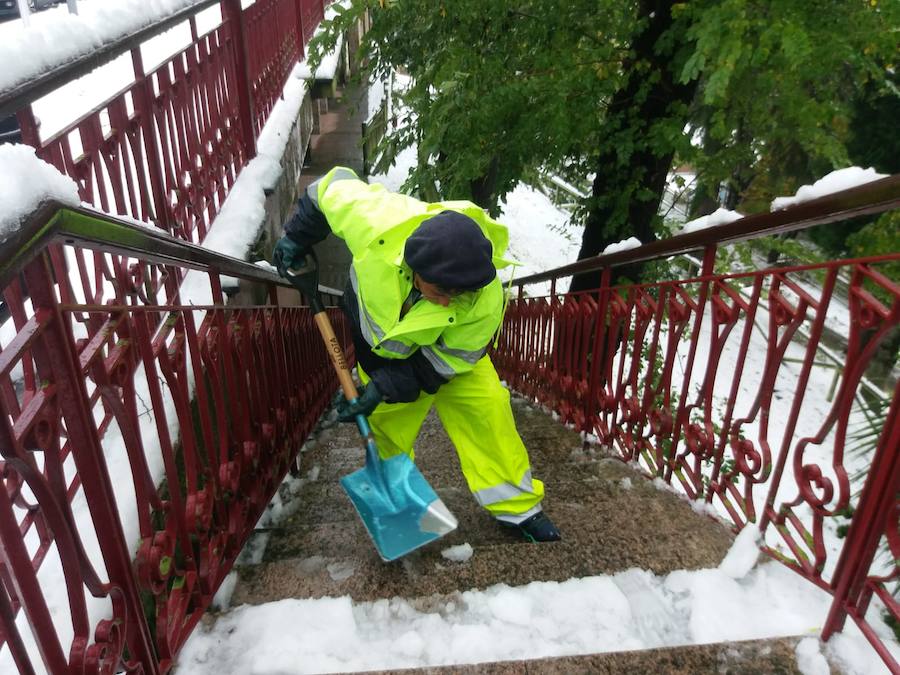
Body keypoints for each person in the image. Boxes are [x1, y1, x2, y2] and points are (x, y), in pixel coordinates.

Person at [273, 166, 561, 542]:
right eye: (439, 290)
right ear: (414, 265)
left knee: (489, 410)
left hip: (451, 360)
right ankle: (399, 513)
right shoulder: (377, 222)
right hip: (383, 358)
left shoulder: (485, 298)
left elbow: (440, 367)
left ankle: (519, 509)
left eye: (457, 294)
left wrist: (382, 388)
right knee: (386, 430)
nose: (446, 300)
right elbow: (329, 186)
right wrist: (297, 236)